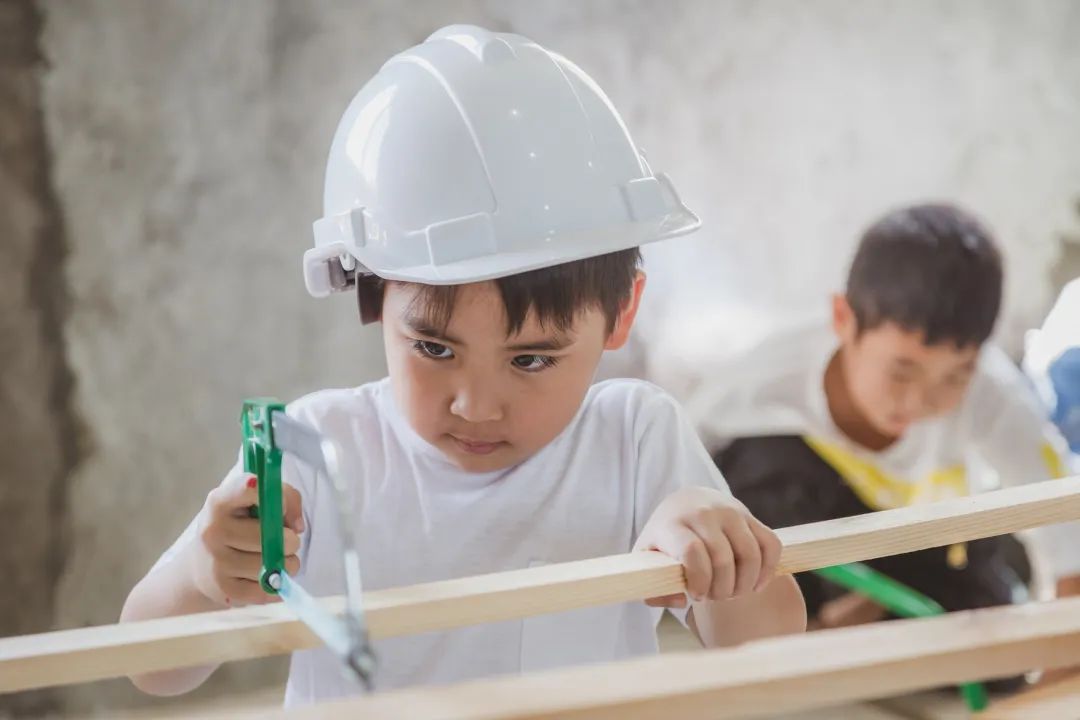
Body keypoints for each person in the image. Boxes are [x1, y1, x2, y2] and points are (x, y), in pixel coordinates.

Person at [120, 25, 805, 706]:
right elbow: (152, 668)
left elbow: (774, 649)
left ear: (622, 313)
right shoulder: (315, 450)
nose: (476, 405)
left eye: (532, 358)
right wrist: (206, 579)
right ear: (372, 297)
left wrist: (716, 550)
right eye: (435, 349)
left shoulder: (635, 440)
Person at [682, 203, 1078, 631]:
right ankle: (809, 622)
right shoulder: (763, 379)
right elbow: (675, 475)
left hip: (927, 545)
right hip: (815, 532)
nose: (919, 401)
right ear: (843, 321)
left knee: (993, 641)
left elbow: (1063, 521)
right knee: (751, 469)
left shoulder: (995, 394)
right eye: (900, 372)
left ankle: (870, 610)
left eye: (954, 377)